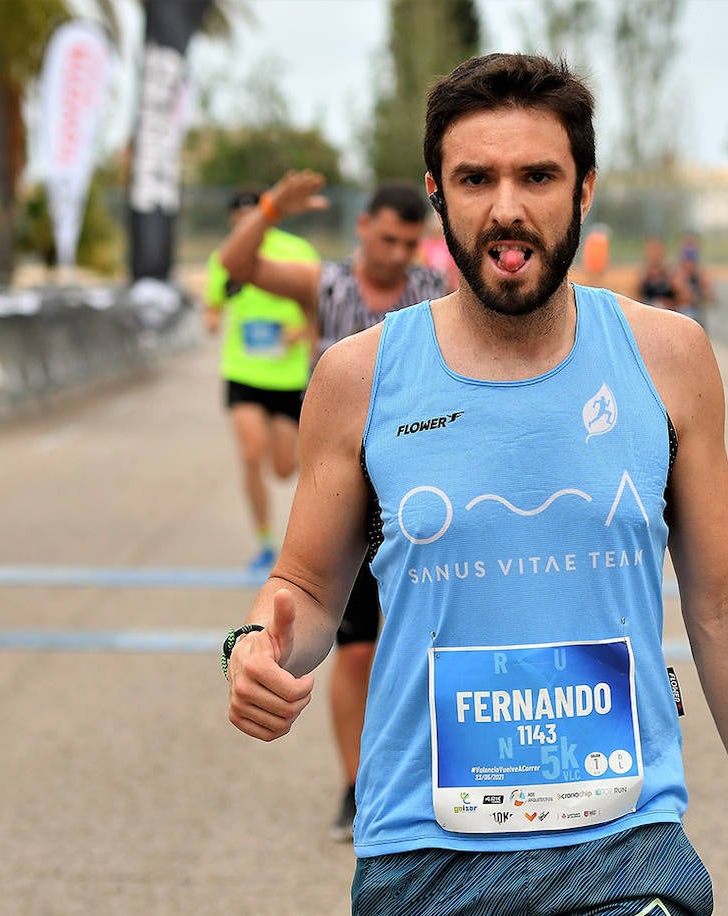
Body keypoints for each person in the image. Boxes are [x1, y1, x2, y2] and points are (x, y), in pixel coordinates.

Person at [223, 53, 728, 915]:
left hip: (626, 846)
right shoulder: (360, 378)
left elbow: (723, 603)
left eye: (537, 175)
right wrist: (254, 649)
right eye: (476, 178)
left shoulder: (669, 358)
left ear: (582, 191)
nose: (507, 206)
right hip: (423, 852)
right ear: (438, 193)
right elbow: (306, 589)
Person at [219, 180, 448, 842]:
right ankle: (356, 785)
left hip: (417, 500)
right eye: (386, 239)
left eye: (408, 243)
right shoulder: (325, 285)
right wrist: (266, 213)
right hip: (346, 502)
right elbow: (234, 269)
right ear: (363, 228)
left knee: (426, 652)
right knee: (351, 655)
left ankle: (437, 778)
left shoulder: (434, 291)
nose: (396, 253)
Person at [203, 187, 320, 574]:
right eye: (238, 221)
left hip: (287, 376)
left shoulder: (297, 252)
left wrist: (299, 333)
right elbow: (212, 308)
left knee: (284, 467)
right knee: (251, 453)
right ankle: (265, 542)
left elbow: (318, 312)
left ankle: (303, 535)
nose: (245, 226)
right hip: (243, 372)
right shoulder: (225, 258)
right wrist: (212, 319)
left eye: (252, 218)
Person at [638, 236, 692, 315]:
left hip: (671, 313)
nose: (653, 253)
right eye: (650, 249)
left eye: (656, 249)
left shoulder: (672, 272)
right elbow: (638, 297)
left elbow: (686, 299)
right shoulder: (644, 274)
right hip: (650, 313)